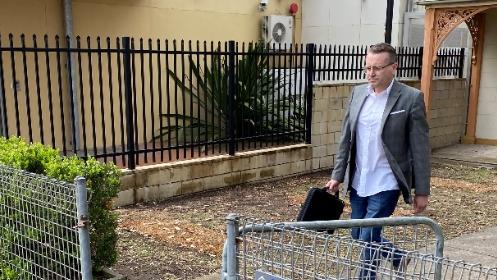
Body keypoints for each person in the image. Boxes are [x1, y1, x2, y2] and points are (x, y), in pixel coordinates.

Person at [325, 42, 431, 279]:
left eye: (377, 68)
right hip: (359, 179)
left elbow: (421, 148)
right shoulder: (357, 93)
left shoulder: (411, 98)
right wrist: (337, 175)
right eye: (367, 67)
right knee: (357, 233)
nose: (371, 73)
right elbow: (346, 138)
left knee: (368, 235)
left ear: (394, 67)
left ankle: (366, 277)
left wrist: (422, 191)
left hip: (387, 180)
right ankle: (396, 255)